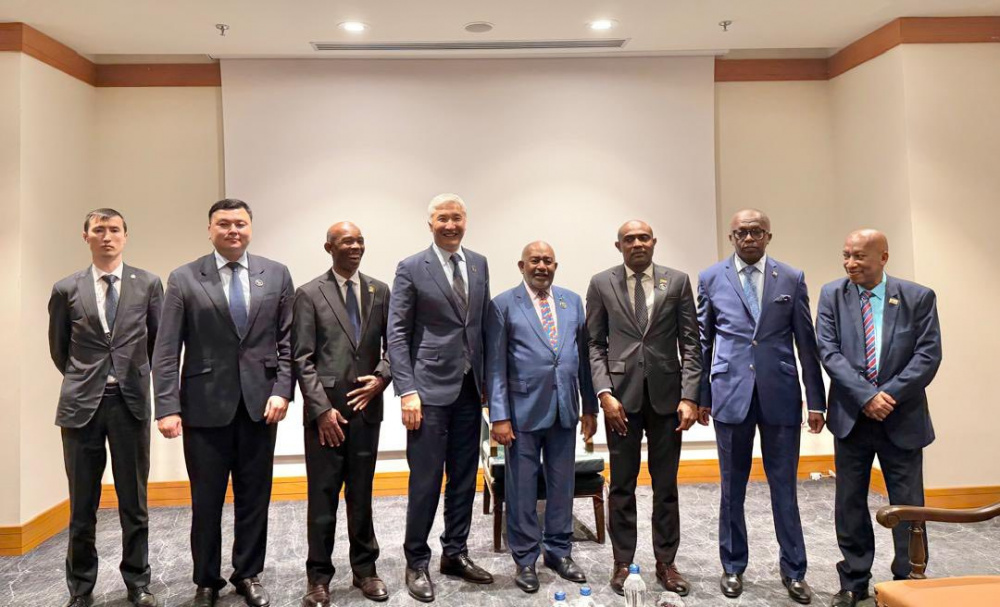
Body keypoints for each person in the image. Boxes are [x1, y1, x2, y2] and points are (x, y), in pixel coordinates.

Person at [152, 199, 294, 607]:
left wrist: (283, 389)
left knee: (255, 497)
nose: (233, 230)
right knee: (206, 500)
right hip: (203, 407)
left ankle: (248, 573)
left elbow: (288, 341)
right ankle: (207, 580)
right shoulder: (184, 277)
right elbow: (166, 350)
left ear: (250, 228)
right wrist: (167, 406)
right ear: (210, 229)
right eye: (224, 224)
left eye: (241, 223)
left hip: (260, 405)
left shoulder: (276, 274)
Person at [696, 209, 826, 603]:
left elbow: (806, 343)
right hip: (730, 394)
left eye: (756, 232)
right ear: (731, 237)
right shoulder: (710, 278)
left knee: (785, 488)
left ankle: (795, 570)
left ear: (769, 236)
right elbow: (703, 343)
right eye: (741, 232)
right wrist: (702, 397)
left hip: (780, 393)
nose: (748, 238)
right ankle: (732, 566)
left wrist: (816, 401)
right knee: (731, 488)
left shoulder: (791, 277)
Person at [816, 229, 941, 607]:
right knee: (849, 503)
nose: (850, 263)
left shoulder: (918, 297)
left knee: (909, 504)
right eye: (846, 255)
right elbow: (829, 351)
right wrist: (866, 396)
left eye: (859, 256)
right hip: (852, 417)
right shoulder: (832, 294)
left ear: (883, 257)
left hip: (902, 416)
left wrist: (889, 395)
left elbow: (928, 354)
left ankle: (909, 579)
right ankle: (854, 580)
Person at [48, 208, 162, 607]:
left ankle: (138, 583)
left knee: (135, 502)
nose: (107, 236)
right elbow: (59, 350)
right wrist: (89, 378)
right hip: (81, 407)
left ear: (125, 236)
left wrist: (133, 376)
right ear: (86, 237)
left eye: (114, 230)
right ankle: (81, 589)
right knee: (82, 504)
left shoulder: (148, 284)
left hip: (130, 404)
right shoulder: (66, 288)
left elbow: (157, 343)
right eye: (99, 230)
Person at [585, 220, 702, 597]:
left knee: (666, 485)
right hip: (620, 401)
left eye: (643, 238)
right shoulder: (601, 283)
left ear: (653, 242)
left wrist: (690, 396)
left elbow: (691, 343)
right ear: (618, 245)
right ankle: (623, 562)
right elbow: (595, 344)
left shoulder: (678, 282)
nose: (637, 243)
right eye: (629, 239)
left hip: (668, 399)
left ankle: (666, 562)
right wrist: (604, 393)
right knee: (622, 485)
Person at [387, 193, 494, 603]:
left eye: (457, 218)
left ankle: (455, 553)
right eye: (442, 218)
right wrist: (407, 390)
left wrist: (489, 386)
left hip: (469, 389)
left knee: (464, 477)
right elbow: (397, 333)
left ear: (466, 220)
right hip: (427, 392)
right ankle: (417, 561)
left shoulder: (479, 263)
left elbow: (481, 326)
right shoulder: (412, 267)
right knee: (427, 480)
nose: (451, 225)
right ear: (430, 224)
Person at [485, 241, 598, 594]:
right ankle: (525, 558)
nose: (541, 266)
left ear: (555, 266)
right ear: (521, 265)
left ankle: (559, 552)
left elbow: (583, 360)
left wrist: (589, 407)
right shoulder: (503, 304)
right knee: (522, 488)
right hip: (521, 413)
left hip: (565, 408)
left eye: (548, 261)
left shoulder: (571, 301)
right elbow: (495, 366)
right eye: (534, 260)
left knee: (562, 485)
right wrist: (499, 416)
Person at [293, 222, 391, 605]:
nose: (355, 246)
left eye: (360, 241)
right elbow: (302, 359)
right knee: (323, 498)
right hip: (326, 417)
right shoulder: (308, 294)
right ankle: (318, 577)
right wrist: (321, 411)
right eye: (347, 241)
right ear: (329, 247)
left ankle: (365, 570)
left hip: (366, 411)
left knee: (361, 495)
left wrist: (381, 378)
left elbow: (394, 346)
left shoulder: (379, 291)